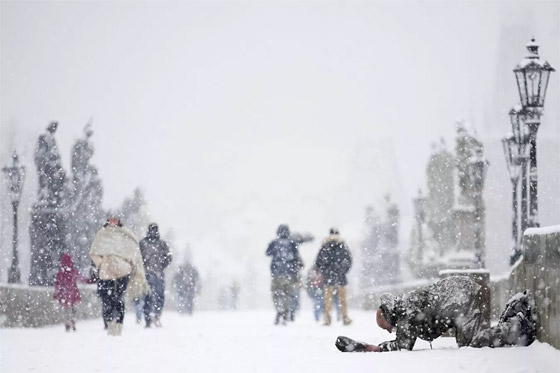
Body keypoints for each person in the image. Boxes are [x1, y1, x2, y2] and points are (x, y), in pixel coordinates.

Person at [335, 276, 537, 352]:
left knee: (472, 345)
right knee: (471, 341)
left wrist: (373, 348)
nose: (389, 332)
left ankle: (517, 326)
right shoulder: (405, 305)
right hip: (461, 291)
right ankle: (513, 315)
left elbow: (404, 345)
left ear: (389, 317)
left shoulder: (405, 313)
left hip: (461, 299)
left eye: (386, 327)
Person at [90, 217, 148, 336]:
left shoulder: (126, 235)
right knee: (108, 299)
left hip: (122, 272)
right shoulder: (102, 234)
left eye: (115, 220)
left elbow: (133, 251)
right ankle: (110, 323)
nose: (113, 222)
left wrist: (127, 264)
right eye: (111, 220)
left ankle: (118, 324)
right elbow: (94, 252)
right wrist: (101, 263)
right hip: (106, 273)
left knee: (119, 299)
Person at [315, 228, 352, 326]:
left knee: (327, 299)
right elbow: (349, 260)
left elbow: (318, 262)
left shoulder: (325, 246)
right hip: (341, 276)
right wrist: (343, 271)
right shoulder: (343, 246)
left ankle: (327, 319)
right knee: (343, 299)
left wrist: (325, 271)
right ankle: (345, 318)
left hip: (328, 276)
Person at [266, 224, 301, 325]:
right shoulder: (292, 244)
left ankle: (278, 310)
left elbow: (267, 253)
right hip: (288, 274)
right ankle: (285, 313)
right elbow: (296, 259)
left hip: (276, 274)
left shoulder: (274, 243)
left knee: (275, 294)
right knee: (287, 294)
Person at [140, 223, 172, 327]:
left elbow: (168, 258)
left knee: (157, 296)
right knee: (149, 296)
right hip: (150, 273)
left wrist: (161, 266)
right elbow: (137, 257)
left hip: (155, 273)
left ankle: (154, 316)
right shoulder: (144, 243)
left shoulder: (161, 244)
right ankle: (149, 317)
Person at [53, 253, 92, 331]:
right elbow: (82, 279)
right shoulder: (73, 271)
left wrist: (56, 295)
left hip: (64, 293)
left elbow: (57, 285)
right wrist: (91, 281)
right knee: (74, 309)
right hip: (73, 293)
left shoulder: (60, 273)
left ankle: (67, 323)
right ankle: (73, 321)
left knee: (66, 309)